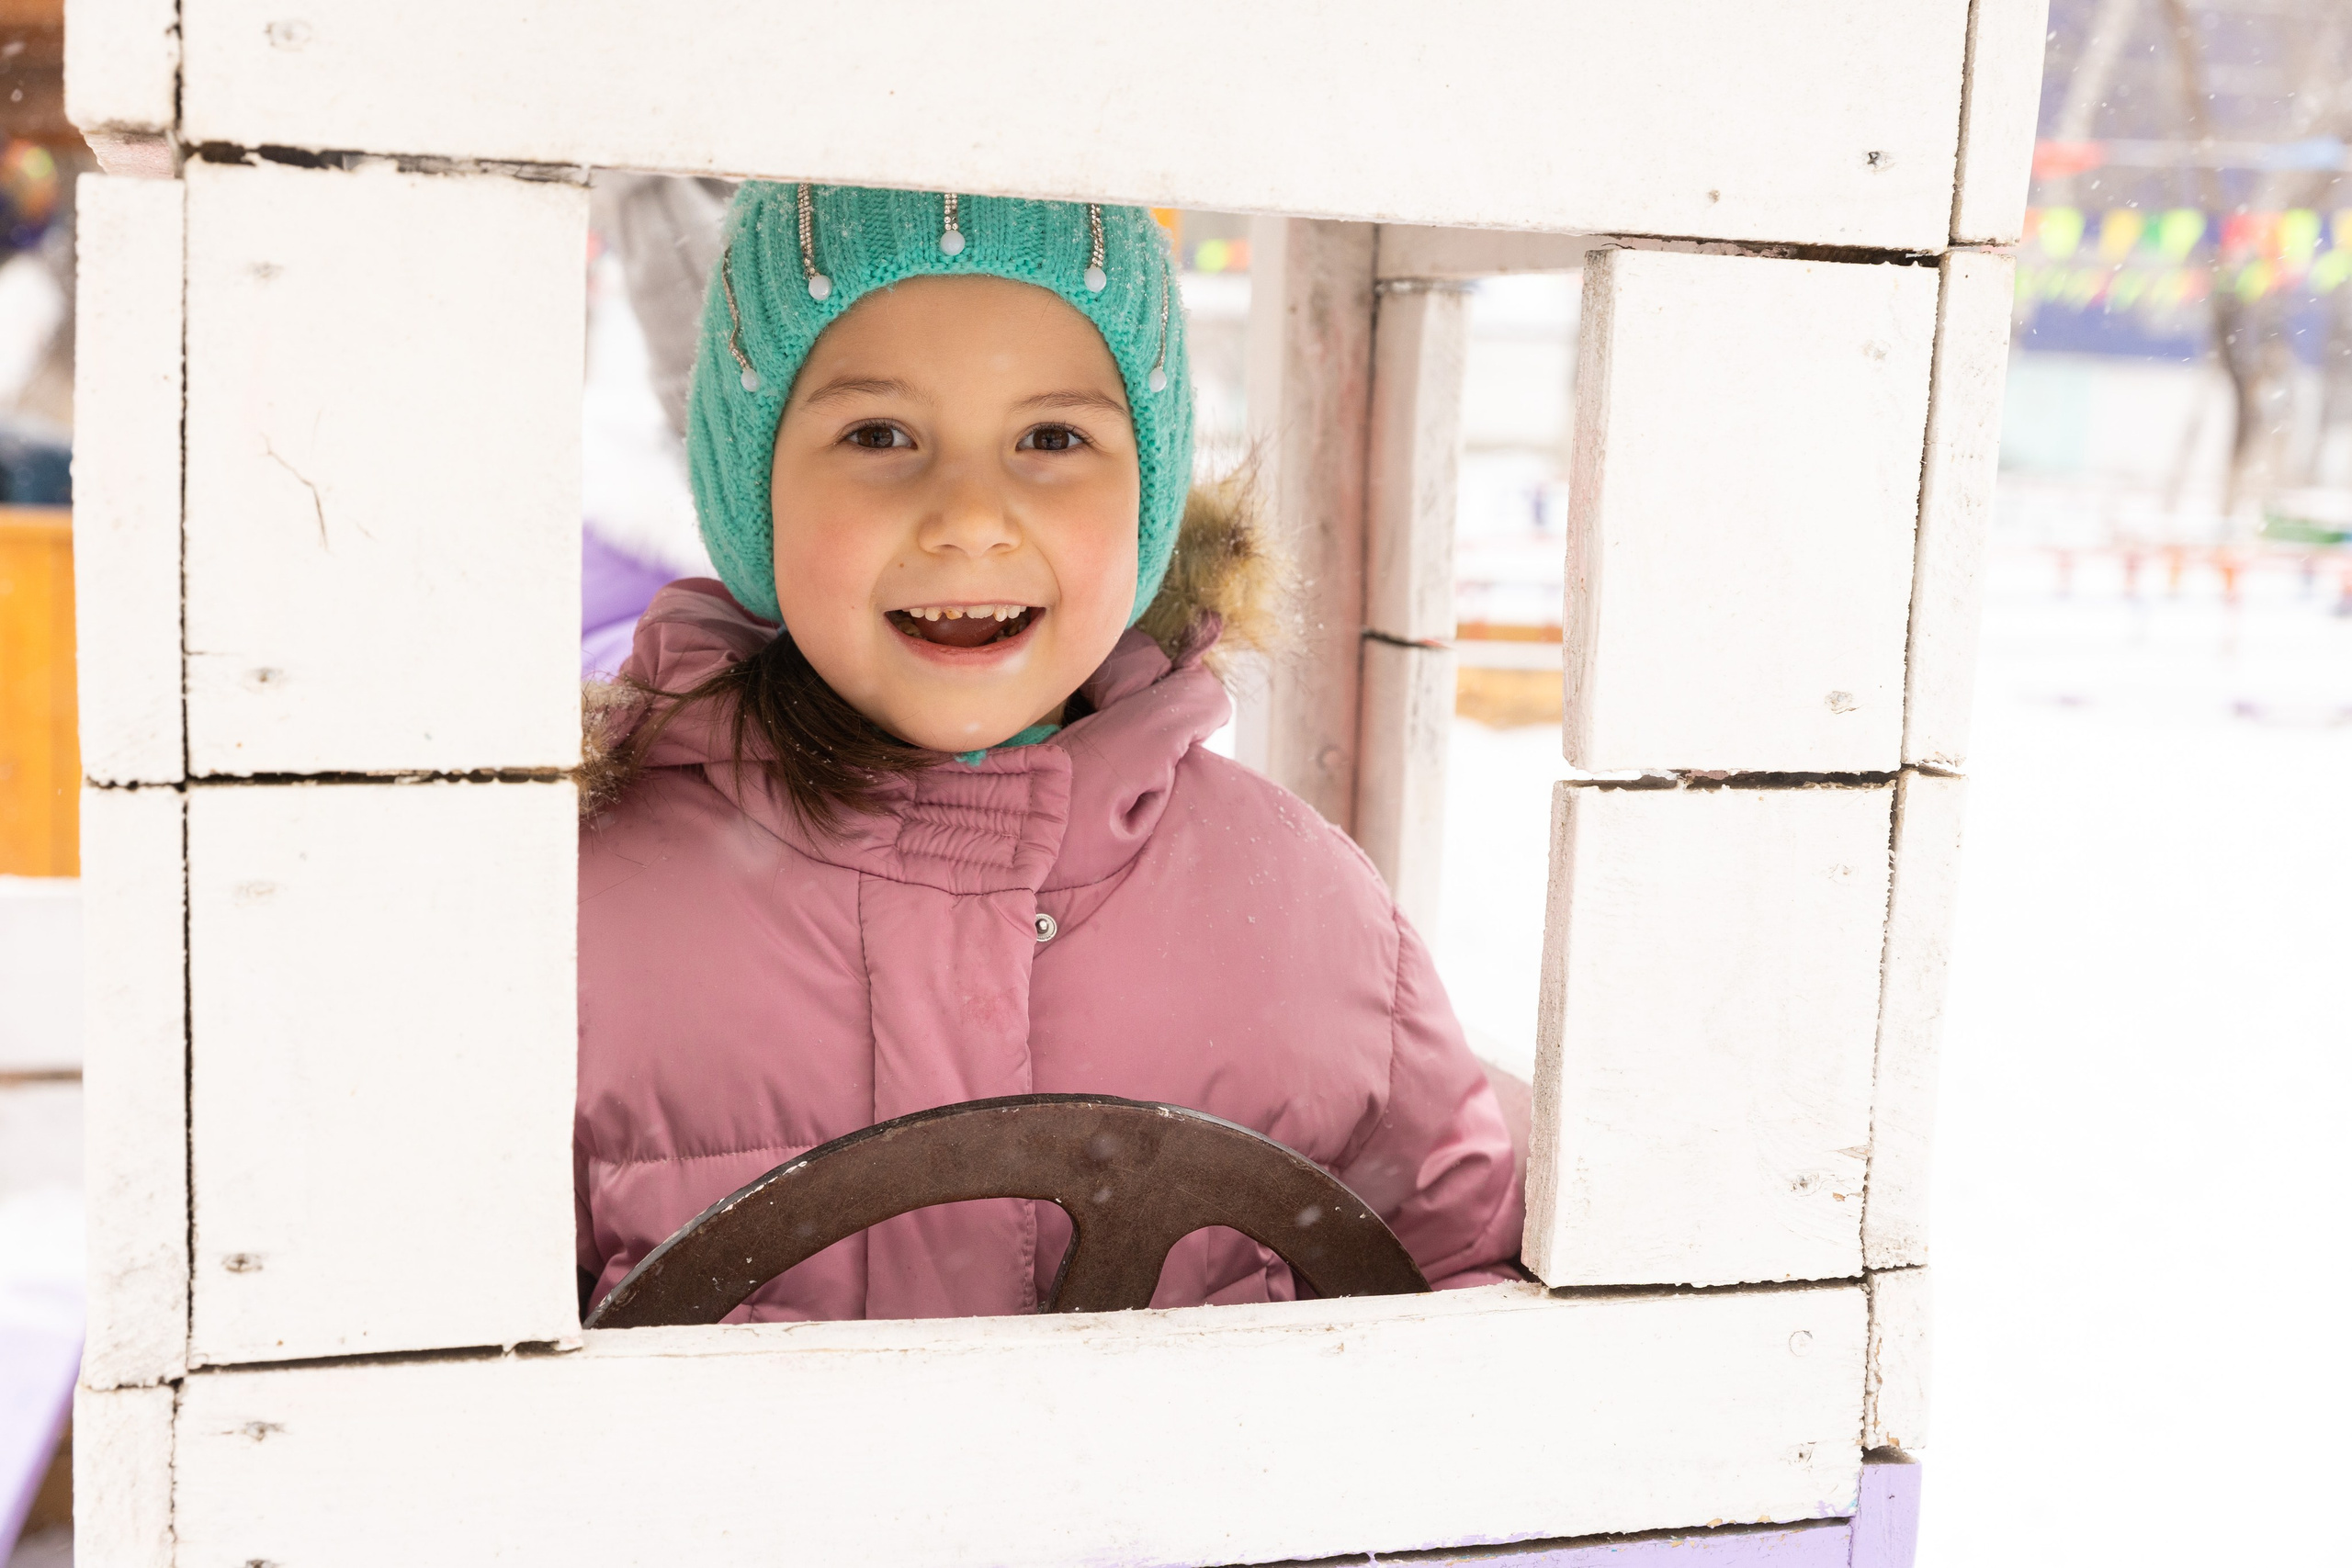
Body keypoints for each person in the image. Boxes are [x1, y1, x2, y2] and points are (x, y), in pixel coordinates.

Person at [575, 184, 1522, 1322]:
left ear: (1147, 499)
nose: (971, 517)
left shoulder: (1307, 913)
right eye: (879, 435)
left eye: (1051, 438)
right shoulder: (584, 916)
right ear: (753, 493)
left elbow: (1461, 1301)